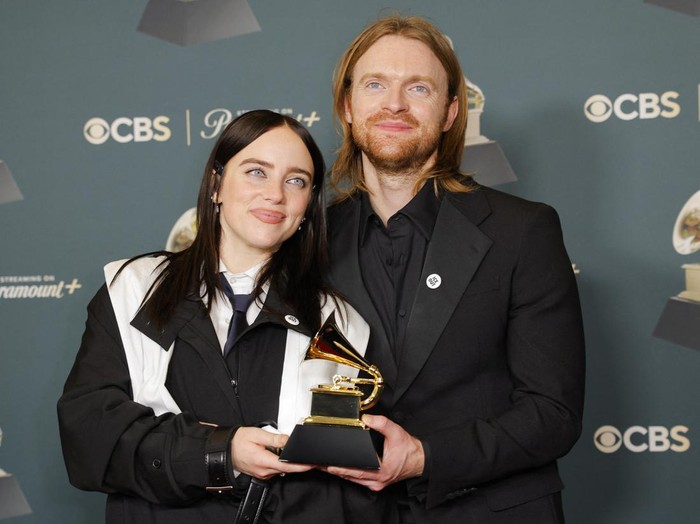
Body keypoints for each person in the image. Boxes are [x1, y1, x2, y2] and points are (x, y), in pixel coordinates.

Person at [57, 110, 387, 524]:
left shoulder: (337, 321)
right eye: (256, 172)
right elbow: (89, 434)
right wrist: (219, 452)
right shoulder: (133, 289)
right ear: (216, 184)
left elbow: (347, 488)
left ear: (308, 206)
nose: (275, 194)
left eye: (296, 180)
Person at [323, 15, 586, 524]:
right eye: (375, 84)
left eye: (417, 87)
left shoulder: (523, 231)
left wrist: (423, 456)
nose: (394, 103)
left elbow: (553, 415)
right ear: (347, 107)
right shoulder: (309, 239)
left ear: (449, 112)